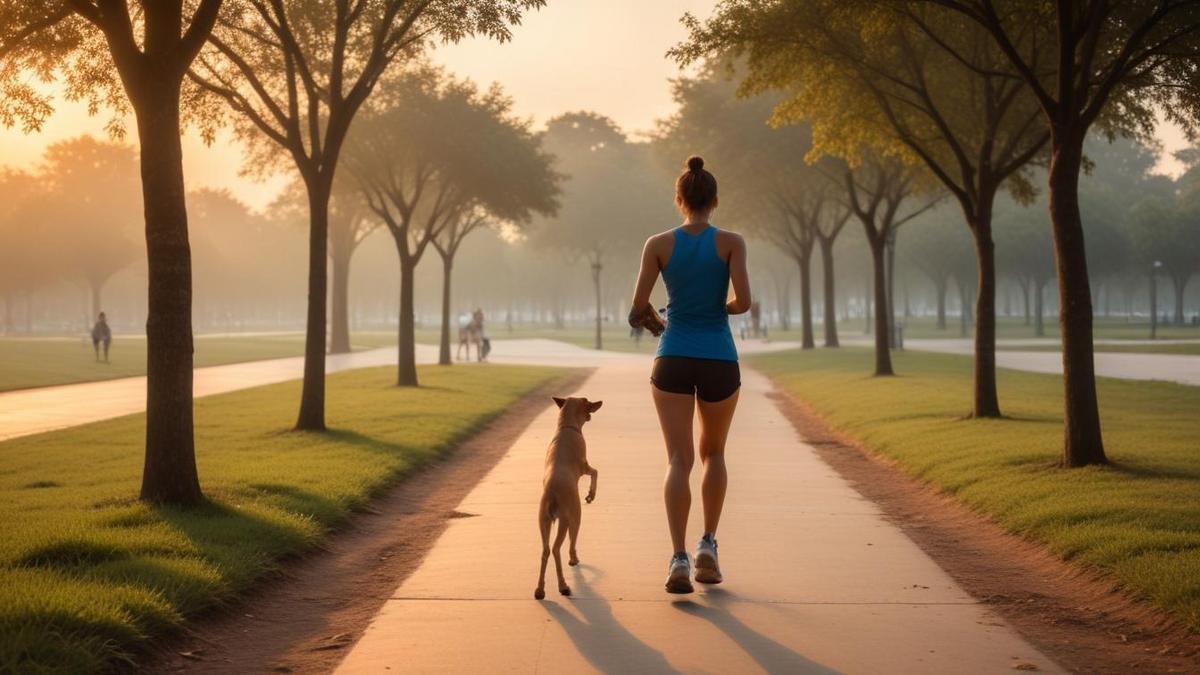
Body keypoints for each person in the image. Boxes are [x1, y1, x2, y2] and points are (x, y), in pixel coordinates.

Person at [628, 155, 751, 594]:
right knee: (712, 454)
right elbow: (744, 302)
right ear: (714, 200)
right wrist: (720, 307)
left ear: (679, 199)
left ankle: (678, 558)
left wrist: (662, 323)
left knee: (677, 460)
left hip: (674, 355)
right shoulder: (732, 242)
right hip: (719, 355)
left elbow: (637, 308)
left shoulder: (658, 244)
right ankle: (708, 546)